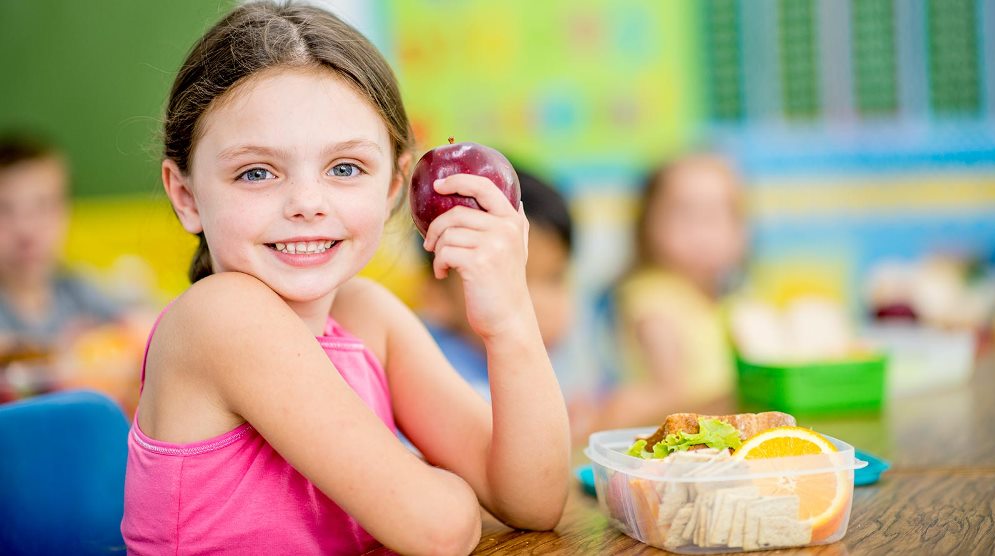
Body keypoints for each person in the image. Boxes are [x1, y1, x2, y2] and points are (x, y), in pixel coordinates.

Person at [121, 3, 570, 555]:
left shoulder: (365, 315)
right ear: (186, 195)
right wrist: (438, 484)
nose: (307, 203)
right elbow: (439, 530)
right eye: (256, 172)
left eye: (345, 168)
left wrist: (510, 318)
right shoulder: (221, 317)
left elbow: (536, 500)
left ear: (392, 188)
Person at [574, 152, 746, 441]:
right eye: (686, 213)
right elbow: (669, 392)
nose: (704, 229)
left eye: (719, 214)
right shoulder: (652, 299)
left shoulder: (728, 299)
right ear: (648, 223)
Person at [420, 167, 575, 401]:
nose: (541, 304)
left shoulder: (535, 364)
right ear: (437, 292)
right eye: (512, 277)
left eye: (554, 278)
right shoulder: (440, 378)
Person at [0, 134, 123, 399]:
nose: (26, 230)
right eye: (4, 210)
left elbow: (142, 324)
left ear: (64, 214)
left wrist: (97, 343)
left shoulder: (76, 290)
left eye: (43, 206)